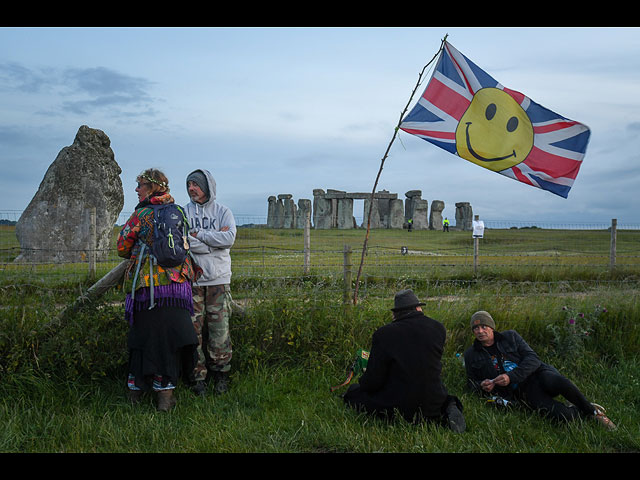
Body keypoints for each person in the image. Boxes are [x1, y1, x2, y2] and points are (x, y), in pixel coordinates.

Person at [117, 168, 199, 412]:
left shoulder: (141, 214)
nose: (136, 189)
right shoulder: (178, 212)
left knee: (144, 340)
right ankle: (166, 397)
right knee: (169, 342)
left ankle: (136, 393)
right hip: (178, 288)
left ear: (152, 188)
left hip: (148, 290)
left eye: (140, 184)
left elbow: (122, 246)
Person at [463, 311, 616, 430]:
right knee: (564, 417)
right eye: (476, 328)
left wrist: (511, 376)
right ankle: (577, 410)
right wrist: (483, 385)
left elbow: (533, 358)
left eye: (484, 326)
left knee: (562, 382)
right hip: (523, 390)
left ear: (492, 327)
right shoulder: (471, 354)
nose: (480, 331)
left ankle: (594, 412)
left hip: (538, 373)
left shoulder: (510, 336)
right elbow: (471, 382)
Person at [343, 289, 465, 432]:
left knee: (354, 393)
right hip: (433, 403)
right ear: (418, 308)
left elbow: (374, 380)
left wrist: (362, 385)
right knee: (445, 397)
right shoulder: (438, 328)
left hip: (399, 406)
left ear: (395, 313)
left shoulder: (383, 334)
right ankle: (450, 406)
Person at [185, 169, 237, 396]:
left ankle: (221, 374)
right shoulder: (184, 212)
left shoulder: (223, 211)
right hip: (193, 279)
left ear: (207, 186)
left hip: (218, 279)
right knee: (192, 330)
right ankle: (198, 377)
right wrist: (212, 241)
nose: (191, 189)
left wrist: (200, 235)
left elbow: (229, 238)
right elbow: (183, 241)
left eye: (195, 184)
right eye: (189, 185)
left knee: (220, 330)